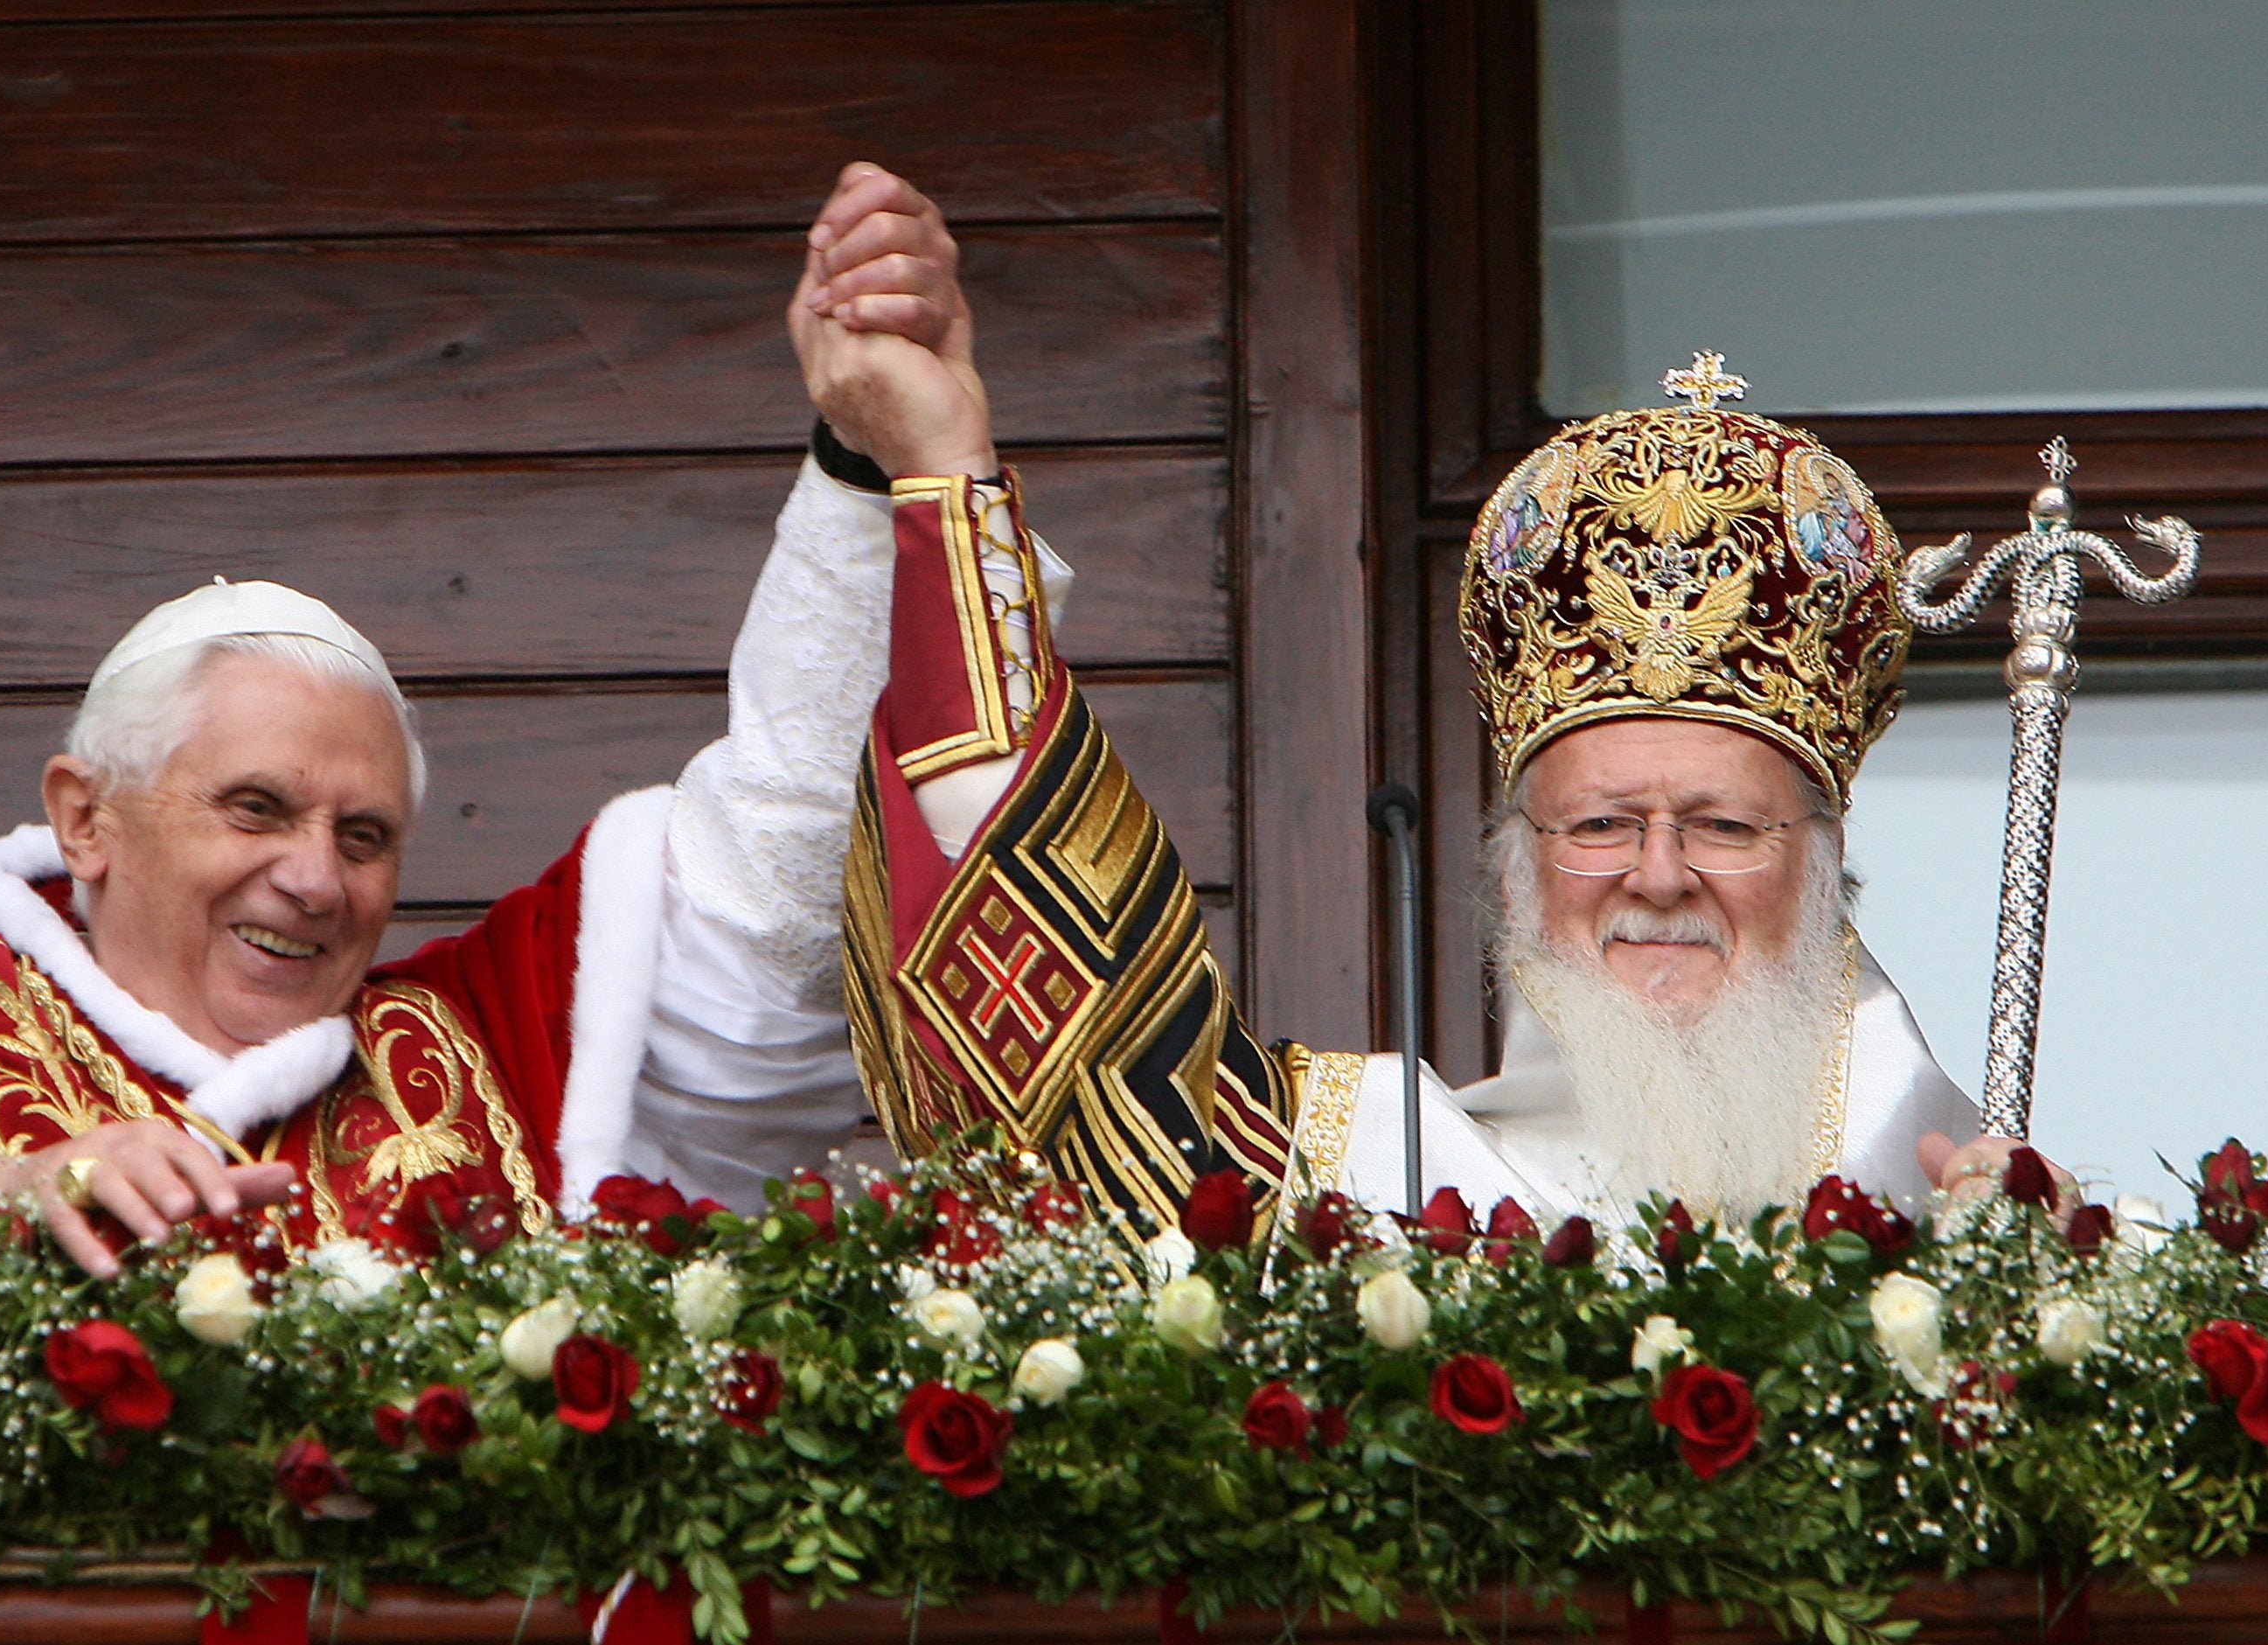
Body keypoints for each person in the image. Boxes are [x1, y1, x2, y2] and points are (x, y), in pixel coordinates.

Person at [0, 163, 991, 1273]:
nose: (314, 876)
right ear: (86, 818)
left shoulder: (500, 1046)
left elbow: (783, 894)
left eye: (365, 835)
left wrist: (879, 458)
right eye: (256, 806)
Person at [839, 332, 2011, 1224]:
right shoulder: (1376, 1190)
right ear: (1515, 879)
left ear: (1820, 862)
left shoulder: (1964, 1203)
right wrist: (948, 480)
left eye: (1722, 825)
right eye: (1600, 822)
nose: (1659, 875)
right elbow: (1084, 1089)